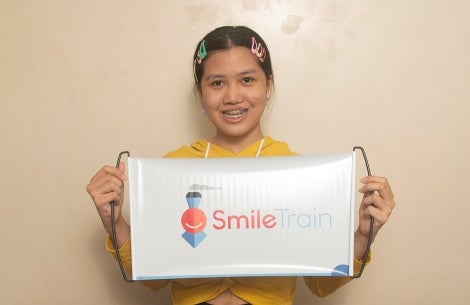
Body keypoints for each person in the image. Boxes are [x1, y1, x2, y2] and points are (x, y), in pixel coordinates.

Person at [86, 26, 395, 305]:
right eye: (217, 83)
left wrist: (363, 234)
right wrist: (112, 219)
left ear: (268, 85)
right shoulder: (172, 170)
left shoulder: (298, 175)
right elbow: (154, 277)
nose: (233, 97)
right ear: (200, 93)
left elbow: (320, 283)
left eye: (247, 80)